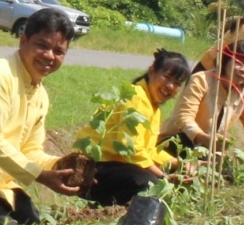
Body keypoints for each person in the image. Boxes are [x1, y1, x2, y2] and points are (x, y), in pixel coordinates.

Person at [0, 8, 87, 225]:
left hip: (5, 186)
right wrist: (41, 175)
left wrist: (62, 167)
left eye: (59, 51)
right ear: (23, 40)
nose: (49, 56)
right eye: (42, 45)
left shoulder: (41, 94)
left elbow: (30, 150)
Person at [72, 49, 191, 206]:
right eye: (167, 77)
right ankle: (113, 213)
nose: (170, 86)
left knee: (166, 179)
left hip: (114, 168)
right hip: (91, 168)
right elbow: (132, 150)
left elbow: (147, 151)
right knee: (151, 183)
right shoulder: (136, 98)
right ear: (152, 71)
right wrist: (162, 177)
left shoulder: (153, 106)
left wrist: (180, 164)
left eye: (177, 84)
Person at [162, 41, 244, 172]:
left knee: (227, 173)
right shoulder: (201, 80)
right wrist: (202, 137)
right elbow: (184, 117)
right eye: (238, 63)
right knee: (196, 164)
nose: (243, 70)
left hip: (208, 149)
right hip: (176, 142)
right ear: (225, 61)